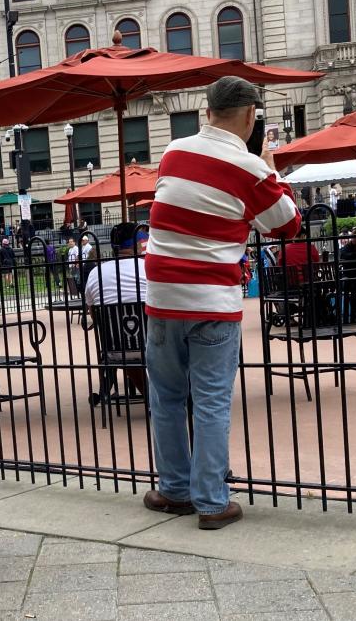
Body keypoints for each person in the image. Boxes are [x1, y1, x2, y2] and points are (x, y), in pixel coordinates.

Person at [144, 76, 301, 529]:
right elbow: (286, 227)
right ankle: (211, 502)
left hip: (162, 297)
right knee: (210, 401)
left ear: (207, 112)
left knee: (168, 399)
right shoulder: (249, 168)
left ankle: (174, 490)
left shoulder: (174, 153)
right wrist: (270, 170)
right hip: (212, 299)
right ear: (251, 116)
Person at [85, 222, 149, 396]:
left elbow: (94, 314)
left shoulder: (95, 273)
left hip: (114, 350)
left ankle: (151, 396)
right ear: (137, 244)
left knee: (128, 347)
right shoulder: (149, 269)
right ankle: (173, 398)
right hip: (152, 346)